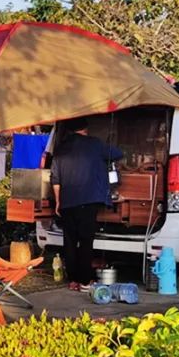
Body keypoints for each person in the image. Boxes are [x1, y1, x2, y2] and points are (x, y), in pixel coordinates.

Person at [50, 117, 123, 285]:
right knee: (85, 241)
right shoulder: (95, 144)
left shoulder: (61, 149)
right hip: (88, 200)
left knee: (69, 241)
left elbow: (55, 179)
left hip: (67, 201)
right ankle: (84, 280)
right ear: (85, 129)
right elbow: (118, 154)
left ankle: (72, 279)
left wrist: (59, 202)